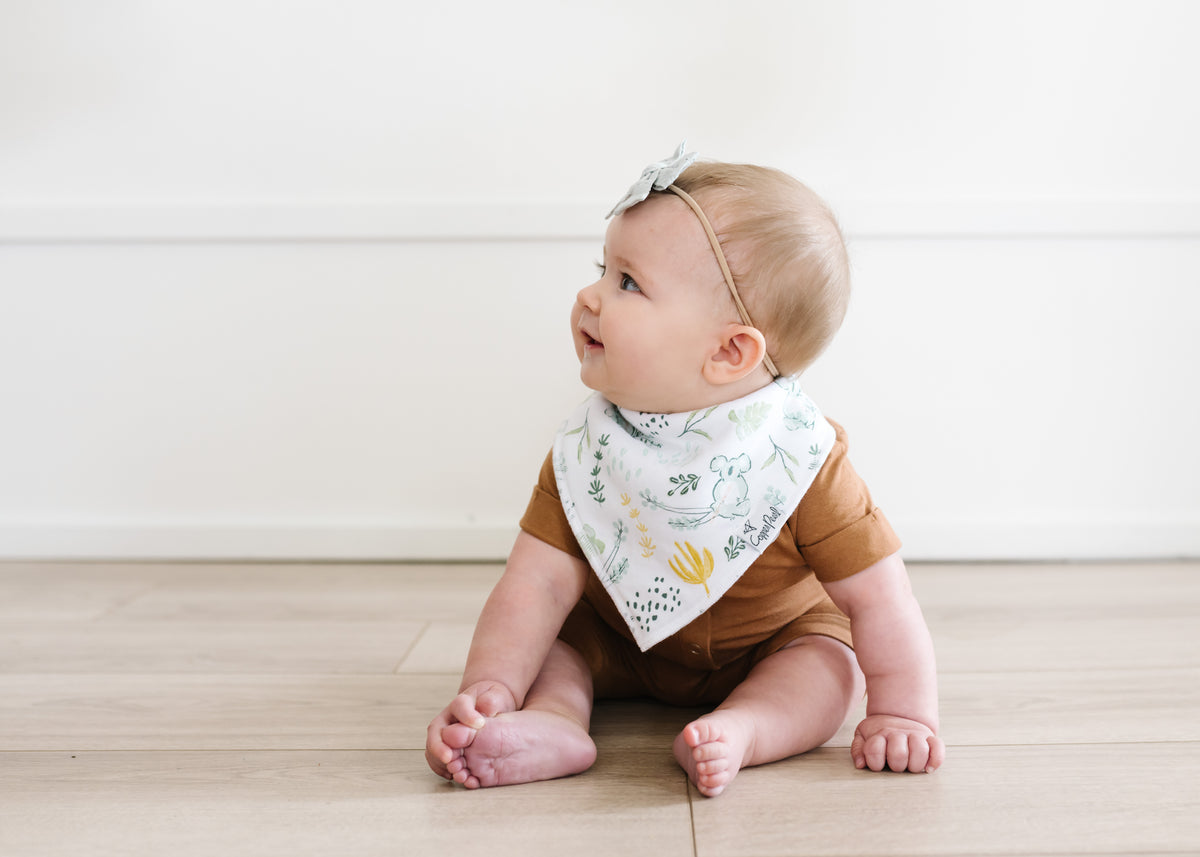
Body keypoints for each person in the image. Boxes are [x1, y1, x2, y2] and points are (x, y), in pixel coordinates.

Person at [425, 144, 944, 797]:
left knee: (829, 664)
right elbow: (536, 586)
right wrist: (489, 687)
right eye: (602, 268)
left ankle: (748, 725)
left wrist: (903, 710)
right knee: (557, 644)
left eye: (628, 282)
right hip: (618, 640)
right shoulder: (589, 449)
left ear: (729, 350)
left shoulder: (801, 456)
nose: (590, 295)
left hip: (771, 642)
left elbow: (878, 597)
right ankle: (552, 719)